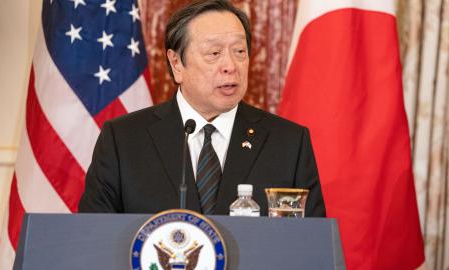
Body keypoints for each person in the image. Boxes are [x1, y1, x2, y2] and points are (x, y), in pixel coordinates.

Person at [79, 0, 326, 217]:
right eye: (214, 53)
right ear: (176, 64)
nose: (230, 65)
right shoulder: (123, 140)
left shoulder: (289, 143)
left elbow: (311, 247)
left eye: (240, 51)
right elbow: (93, 240)